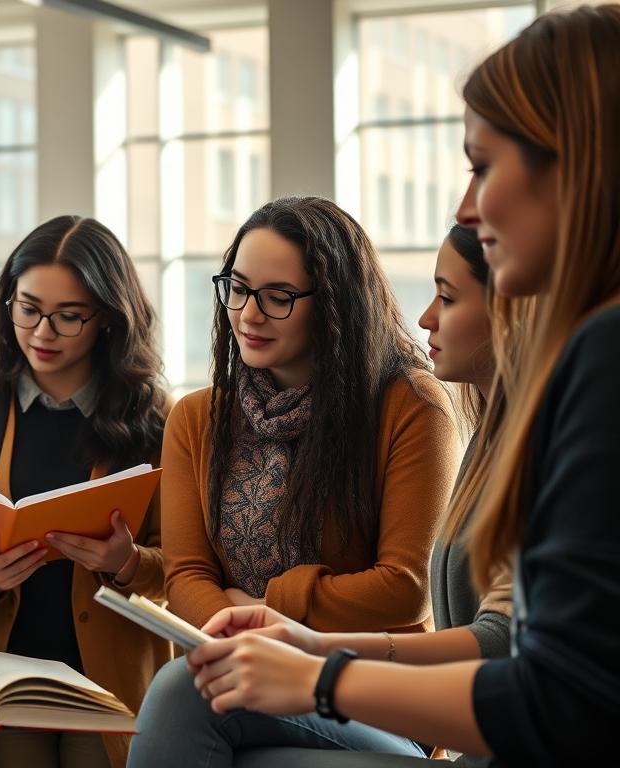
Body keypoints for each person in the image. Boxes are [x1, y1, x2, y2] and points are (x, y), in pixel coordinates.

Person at [170, 6, 620, 765]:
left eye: (483, 165)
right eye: (238, 289)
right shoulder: (199, 415)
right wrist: (307, 648)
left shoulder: (588, 358)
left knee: (191, 699)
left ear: (572, 163)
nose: (467, 208)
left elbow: (554, 694)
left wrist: (319, 674)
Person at [128, 224, 516, 767]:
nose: (248, 313)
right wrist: (247, 638)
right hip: (275, 683)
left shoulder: (407, 404)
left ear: (333, 304)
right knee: (208, 704)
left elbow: (404, 588)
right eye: (236, 289)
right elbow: (187, 576)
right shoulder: (197, 417)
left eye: (278, 297)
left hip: (385, 702)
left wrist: (271, 613)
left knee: (189, 688)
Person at [0, 215, 169, 768]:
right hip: (6, 678)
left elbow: (186, 568)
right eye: (28, 309)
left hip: (110, 682)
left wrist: (128, 563)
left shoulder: (159, 422)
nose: (43, 333)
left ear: (108, 320)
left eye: (69, 317)